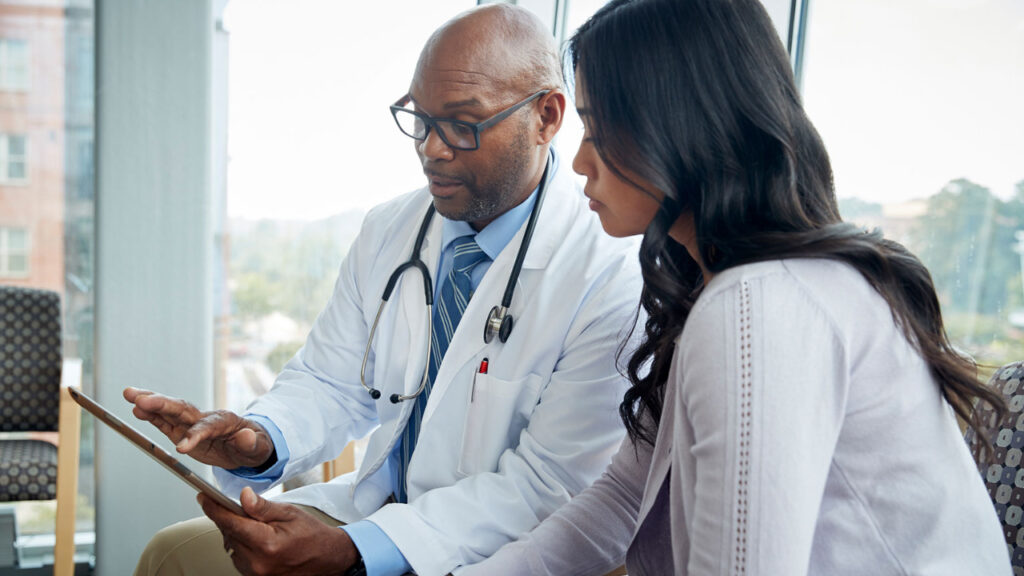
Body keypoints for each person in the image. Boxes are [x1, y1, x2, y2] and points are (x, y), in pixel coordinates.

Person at [463, 0, 1012, 574]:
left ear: (681, 125)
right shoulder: (732, 288)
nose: (577, 162)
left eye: (599, 130)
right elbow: (622, 498)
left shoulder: (761, 304)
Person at [127, 5, 641, 576]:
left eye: (462, 125)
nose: (432, 149)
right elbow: (329, 380)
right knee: (170, 557)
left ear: (546, 116)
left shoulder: (612, 272)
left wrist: (358, 552)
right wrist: (261, 439)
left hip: (503, 549)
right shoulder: (390, 229)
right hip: (373, 511)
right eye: (419, 119)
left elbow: (548, 486)